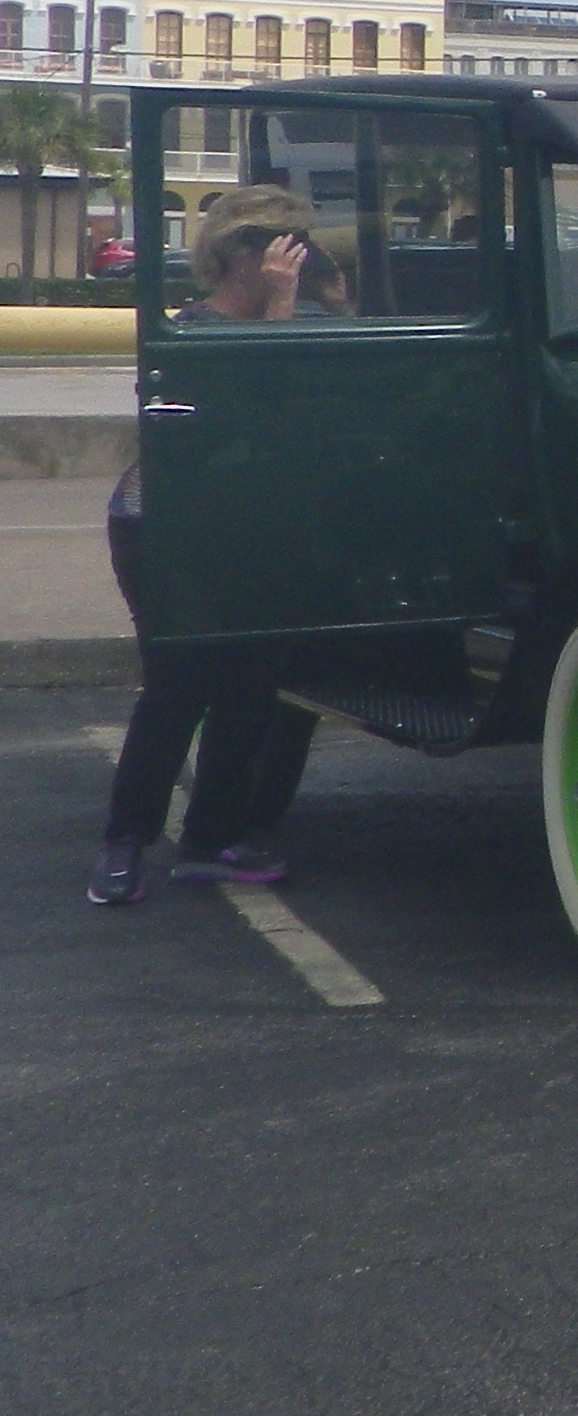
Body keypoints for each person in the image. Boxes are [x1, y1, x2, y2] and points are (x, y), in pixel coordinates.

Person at [90, 188, 328, 906]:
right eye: (275, 244)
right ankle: (126, 842)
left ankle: (209, 839)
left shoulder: (291, 322)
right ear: (236, 254)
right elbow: (250, 417)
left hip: (250, 526)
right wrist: (281, 311)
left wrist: (318, 301)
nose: (290, 259)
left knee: (250, 686)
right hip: (168, 525)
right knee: (178, 683)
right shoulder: (190, 330)